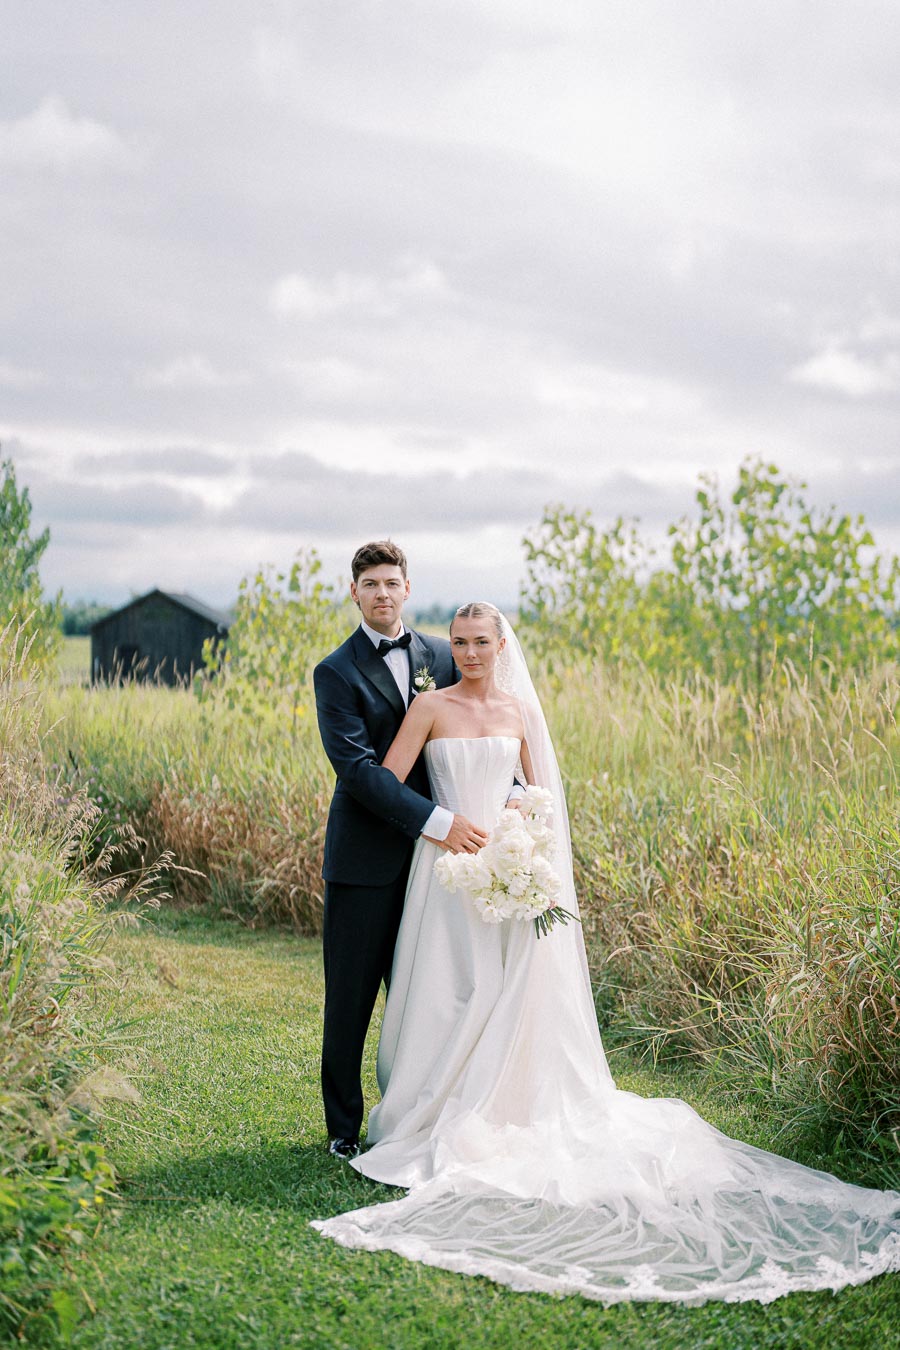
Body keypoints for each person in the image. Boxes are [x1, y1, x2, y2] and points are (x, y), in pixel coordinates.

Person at [312, 602, 900, 1305]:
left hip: (507, 873)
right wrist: (450, 831)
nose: (468, 652)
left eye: (481, 642)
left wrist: (521, 846)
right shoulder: (427, 707)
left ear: (502, 646)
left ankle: (499, 1106)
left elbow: (537, 795)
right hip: (444, 880)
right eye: (460, 641)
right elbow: (392, 784)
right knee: (444, 992)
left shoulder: (520, 712)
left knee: (508, 997)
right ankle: (429, 1108)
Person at [313, 542, 488, 1161]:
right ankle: (342, 1128)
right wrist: (436, 820)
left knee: (430, 993)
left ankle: (422, 1112)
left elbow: (479, 728)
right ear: (354, 591)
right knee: (352, 997)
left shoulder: (442, 656)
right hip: (367, 859)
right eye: (370, 583)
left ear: (408, 588)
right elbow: (358, 771)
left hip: (437, 866)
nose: (382, 593)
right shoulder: (334, 672)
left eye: (392, 582)